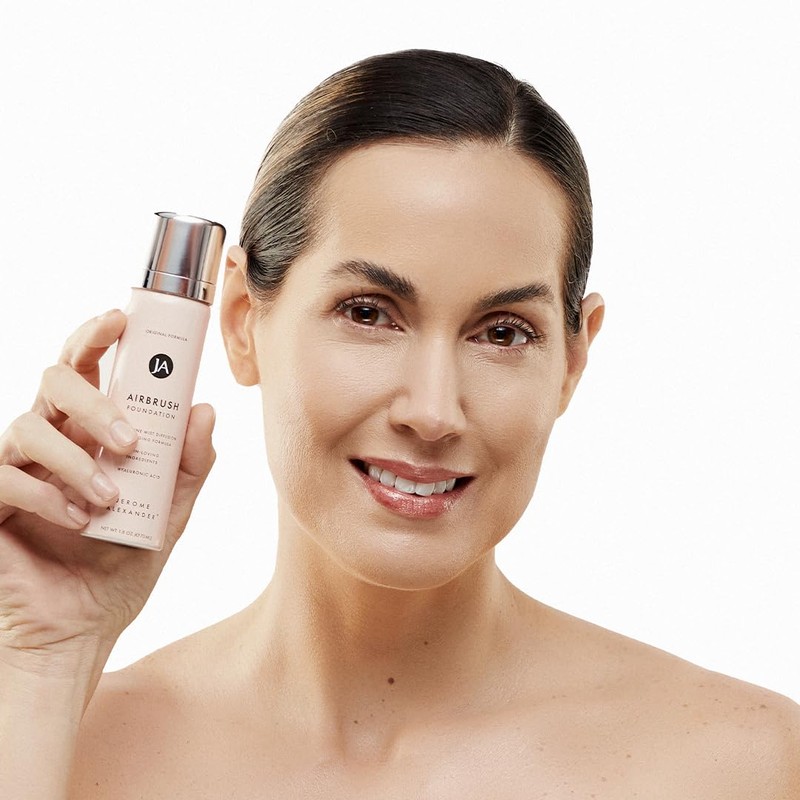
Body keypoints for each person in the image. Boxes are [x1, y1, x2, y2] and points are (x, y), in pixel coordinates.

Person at [1, 49, 797, 799]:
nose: (432, 411)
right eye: (368, 313)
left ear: (572, 360)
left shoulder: (740, 765)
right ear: (241, 319)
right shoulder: (63, 742)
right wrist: (43, 656)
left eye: (503, 332)